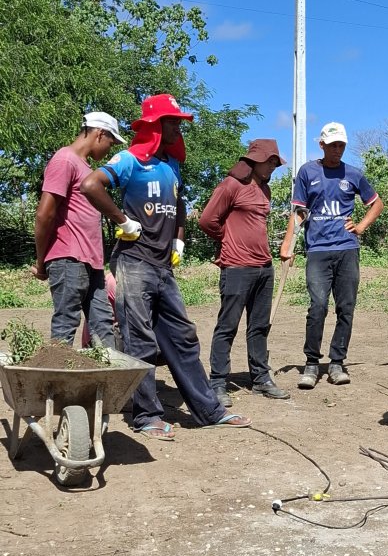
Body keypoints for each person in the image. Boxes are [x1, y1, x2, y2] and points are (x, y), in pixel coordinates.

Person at [81, 94, 250, 439]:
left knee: (183, 337)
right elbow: (90, 185)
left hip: (162, 267)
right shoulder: (129, 161)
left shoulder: (171, 165)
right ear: (156, 126)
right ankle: (147, 416)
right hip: (133, 262)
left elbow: (180, 204)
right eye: (172, 121)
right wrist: (121, 219)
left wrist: (179, 239)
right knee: (140, 341)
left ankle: (208, 410)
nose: (178, 127)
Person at [280, 122, 384, 388]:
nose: (338, 150)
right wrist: (288, 244)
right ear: (322, 144)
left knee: (345, 307)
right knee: (317, 305)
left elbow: (376, 203)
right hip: (318, 249)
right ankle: (312, 363)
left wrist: (360, 226)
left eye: (342, 145)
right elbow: (299, 212)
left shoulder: (353, 174)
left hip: (347, 249)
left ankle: (337, 362)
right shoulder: (307, 171)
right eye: (333, 145)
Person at [198, 139, 289, 406]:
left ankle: (261, 379)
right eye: (270, 161)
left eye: (275, 162)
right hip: (237, 267)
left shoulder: (265, 190)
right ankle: (217, 382)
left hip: (264, 267)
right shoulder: (231, 185)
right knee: (228, 326)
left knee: (260, 326)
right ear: (255, 160)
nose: (273, 166)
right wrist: (227, 240)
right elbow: (207, 220)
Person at [32, 111, 125, 346]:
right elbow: (45, 214)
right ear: (99, 134)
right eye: (110, 143)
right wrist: (41, 261)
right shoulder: (65, 160)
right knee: (66, 324)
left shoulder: (84, 168)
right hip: (68, 259)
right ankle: (56, 382)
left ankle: (107, 382)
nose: (109, 149)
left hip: (91, 263)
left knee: (103, 325)